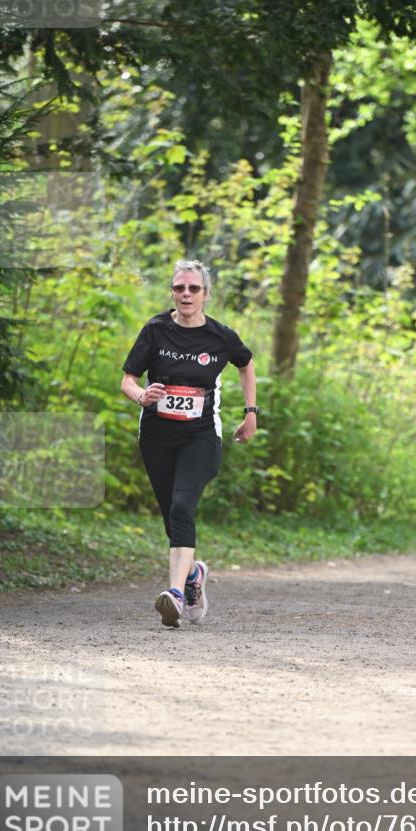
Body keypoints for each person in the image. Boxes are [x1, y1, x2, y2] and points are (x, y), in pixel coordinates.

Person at [120, 260, 258, 628]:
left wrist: (251, 412)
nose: (185, 294)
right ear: (172, 292)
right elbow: (128, 380)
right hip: (156, 437)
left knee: (182, 506)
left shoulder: (220, 336)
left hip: (201, 436)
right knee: (172, 516)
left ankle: (176, 595)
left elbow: (246, 363)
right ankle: (193, 575)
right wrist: (141, 395)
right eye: (179, 288)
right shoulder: (155, 330)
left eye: (193, 288)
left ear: (205, 294)